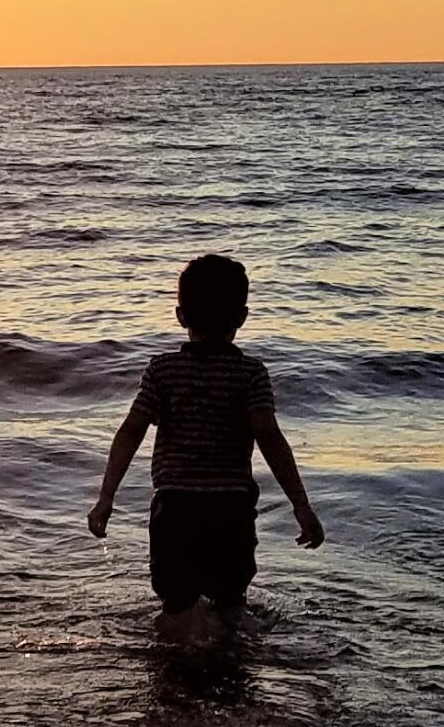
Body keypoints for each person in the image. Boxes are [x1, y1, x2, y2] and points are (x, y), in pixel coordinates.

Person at [87, 253, 322, 639]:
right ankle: (232, 665)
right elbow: (271, 439)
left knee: (177, 607)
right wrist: (301, 505)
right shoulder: (250, 373)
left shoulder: (162, 370)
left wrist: (106, 498)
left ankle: (180, 668)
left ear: (181, 316)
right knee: (231, 605)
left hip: (175, 508)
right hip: (230, 510)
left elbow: (130, 432)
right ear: (242, 317)